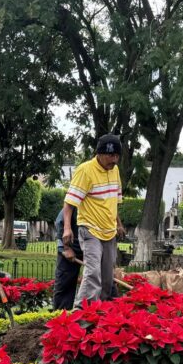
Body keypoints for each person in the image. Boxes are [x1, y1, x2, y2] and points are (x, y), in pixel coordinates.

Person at [63, 133, 126, 304]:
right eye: (110, 155)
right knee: (93, 273)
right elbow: (69, 203)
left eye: (117, 156)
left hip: (109, 231)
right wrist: (67, 228)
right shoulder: (85, 171)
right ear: (99, 153)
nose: (114, 160)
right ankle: (80, 316)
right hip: (90, 229)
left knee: (107, 278)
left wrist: (118, 224)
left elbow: (112, 201)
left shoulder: (115, 171)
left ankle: (100, 315)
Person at [52, 206, 82, 310]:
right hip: (71, 244)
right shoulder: (74, 203)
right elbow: (60, 221)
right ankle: (61, 316)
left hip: (90, 246)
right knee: (65, 282)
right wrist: (66, 248)